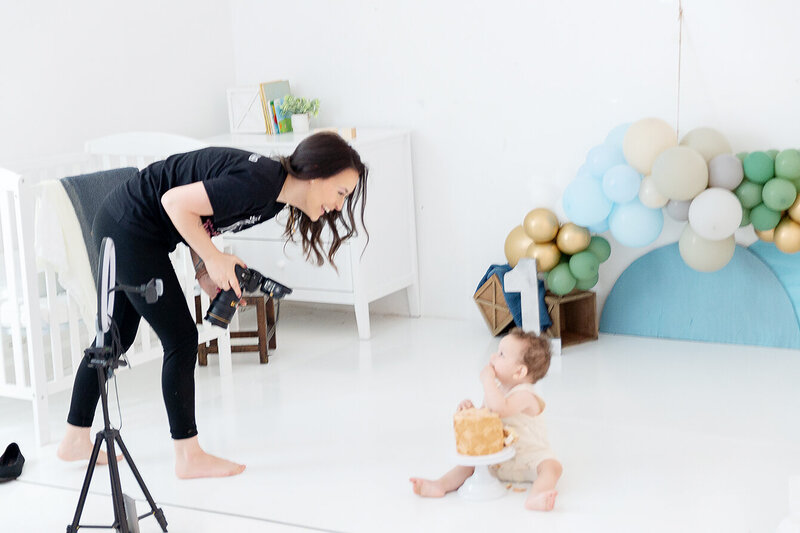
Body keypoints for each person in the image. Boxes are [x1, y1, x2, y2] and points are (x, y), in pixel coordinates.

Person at [57, 132, 368, 479]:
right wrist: (214, 257)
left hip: (124, 221)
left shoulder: (273, 197)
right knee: (181, 339)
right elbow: (175, 203)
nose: (340, 206)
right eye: (341, 193)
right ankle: (188, 455)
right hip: (131, 226)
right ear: (316, 173)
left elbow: (201, 214)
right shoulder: (260, 182)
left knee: (114, 339)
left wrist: (205, 267)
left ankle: (74, 438)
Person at [409, 328, 562, 511]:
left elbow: (500, 408)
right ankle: (440, 485)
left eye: (501, 355)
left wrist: (486, 380)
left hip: (530, 460)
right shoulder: (496, 390)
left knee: (552, 467)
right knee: (468, 465)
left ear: (519, 372)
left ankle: (537, 495)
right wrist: (470, 411)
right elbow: (487, 417)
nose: (493, 357)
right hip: (500, 459)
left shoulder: (526, 394)